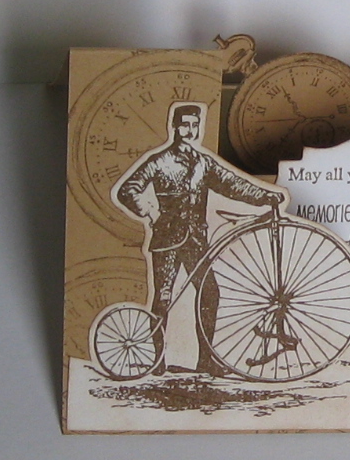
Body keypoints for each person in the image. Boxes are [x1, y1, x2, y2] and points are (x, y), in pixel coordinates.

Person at [114, 102, 283, 376]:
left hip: (196, 242)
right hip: (167, 241)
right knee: (163, 298)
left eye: (195, 125)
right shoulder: (159, 161)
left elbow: (232, 183)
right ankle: (157, 361)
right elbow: (127, 190)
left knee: (210, 293)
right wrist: (151, 212)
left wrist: (265, 196)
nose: (191, 131)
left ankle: (206, 360)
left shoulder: (203, 163)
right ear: (175, 127)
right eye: (185, 125)